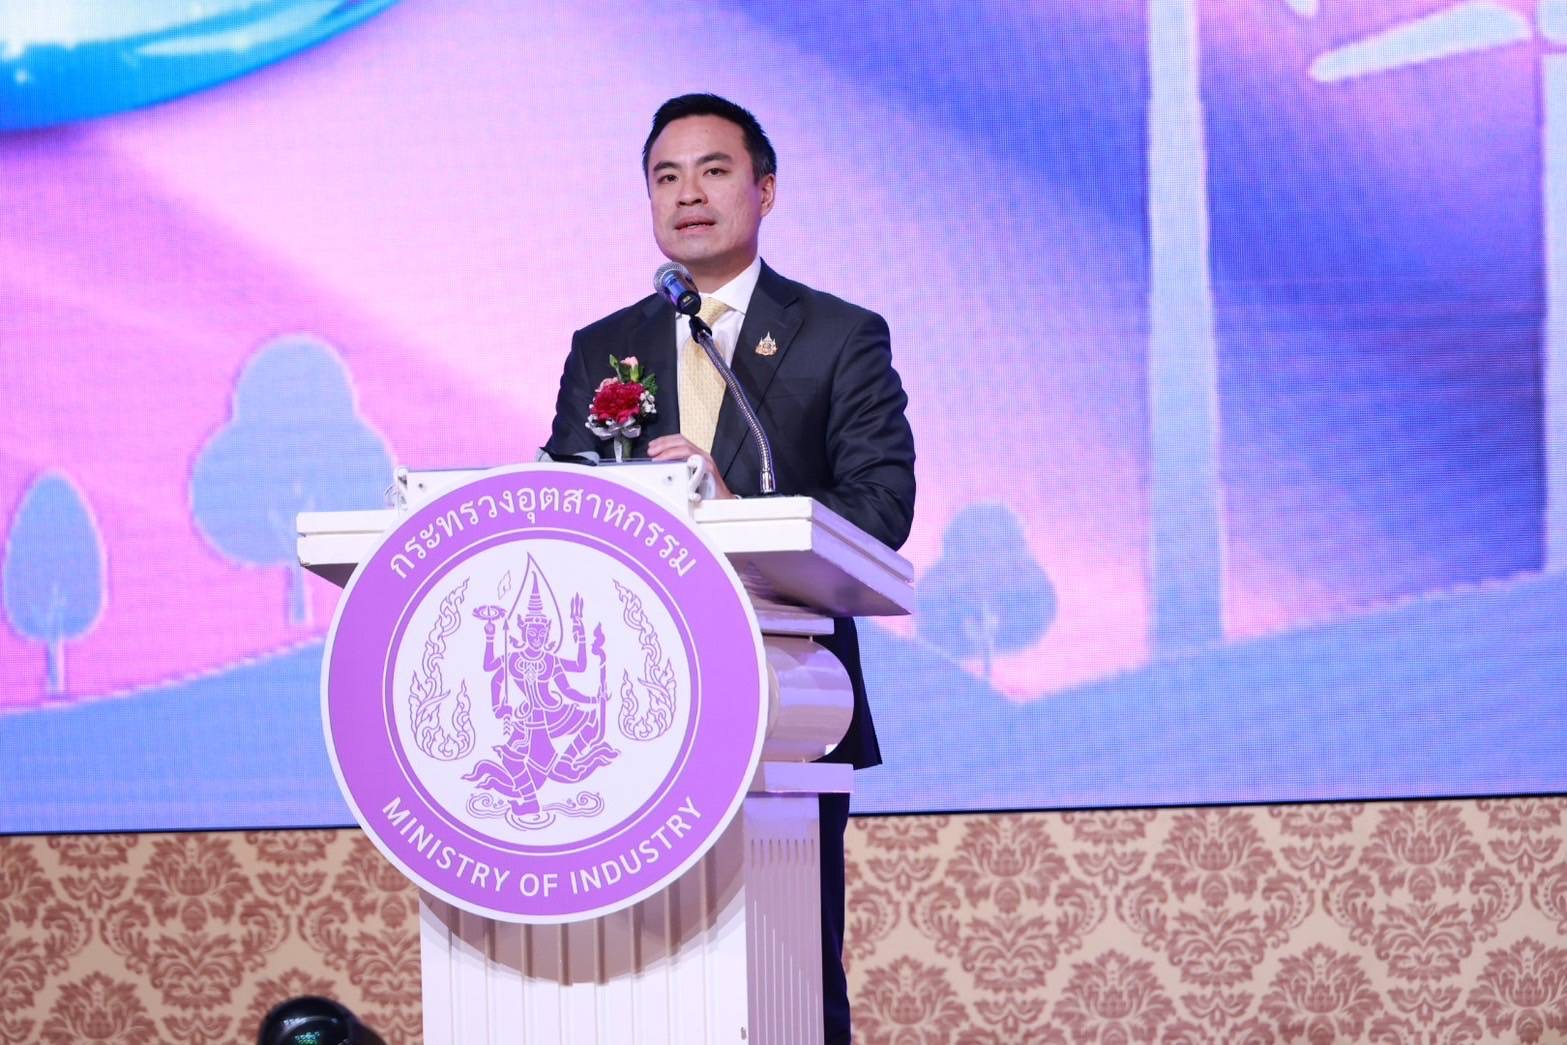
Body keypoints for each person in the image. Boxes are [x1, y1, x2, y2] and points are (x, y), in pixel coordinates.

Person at [547, 92, 915, 1044]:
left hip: (783, 700)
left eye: (713, 171)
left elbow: (881, 511)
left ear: (765, 190)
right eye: (664, 177)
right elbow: (560, 508)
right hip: (624, 715)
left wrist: (732, 507)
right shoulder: (603, 347)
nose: (688, 195)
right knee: (639, 987)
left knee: (785, 984)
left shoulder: (838, 335)